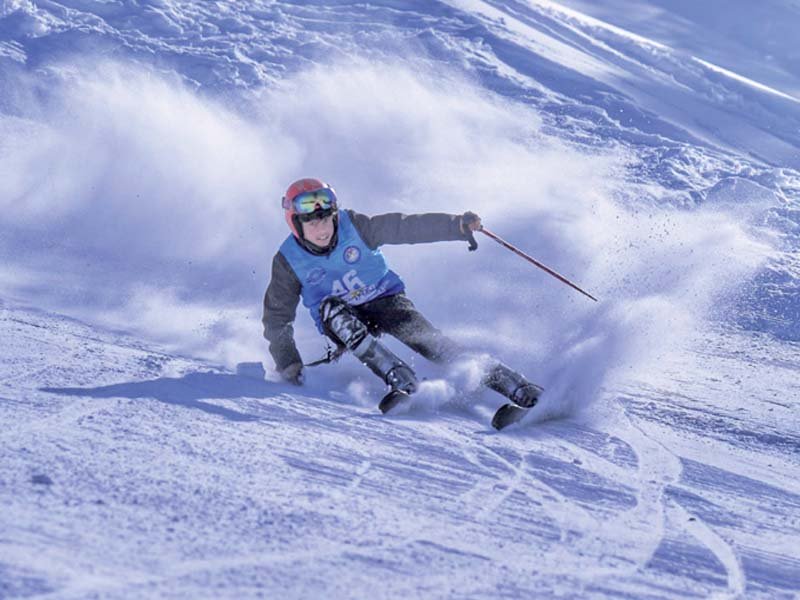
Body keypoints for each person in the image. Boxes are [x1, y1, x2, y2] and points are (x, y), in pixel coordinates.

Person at [262, 177, 542, 409]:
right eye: (312, 223)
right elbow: (277, 317)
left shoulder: (356, 226)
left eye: (326, 220)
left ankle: (518, 387)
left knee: (435, 345)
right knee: (334, 312)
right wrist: (287, 362)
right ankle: (401, 380)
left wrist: (455, 226)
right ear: (296, 224)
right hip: (340, 319)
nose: (322, 229)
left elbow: (406, 226)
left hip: (386, 300)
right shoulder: (289, 260)